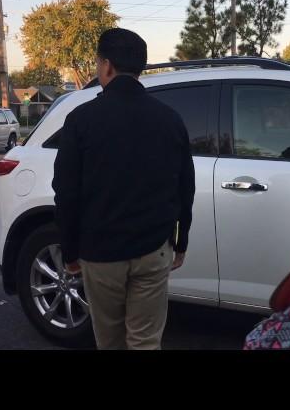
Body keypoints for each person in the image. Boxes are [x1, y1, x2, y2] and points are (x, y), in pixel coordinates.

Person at [52, 28, 195, 350]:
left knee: (110, 340)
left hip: (100, 254)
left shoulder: (81, 119)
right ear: (139, 67)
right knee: (145, 340)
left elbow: (66, 191)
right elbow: (186, 185)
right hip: (154, 249)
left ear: (106, 66)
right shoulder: (170, 119)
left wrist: (70, 250)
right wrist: (180, 241)